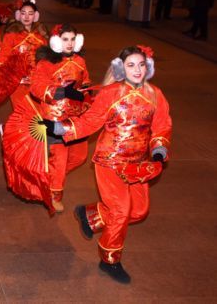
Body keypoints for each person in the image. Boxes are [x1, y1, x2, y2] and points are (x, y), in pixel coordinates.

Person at [42, 45, 172, 283]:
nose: (137, 70)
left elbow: (162, 126)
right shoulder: (111, 93)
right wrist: (59, 128)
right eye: (131, 65)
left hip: (138, 165)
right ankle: (110, 260)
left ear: (148, 67)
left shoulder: (156, 95)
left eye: (141, 65)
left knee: (138, 211)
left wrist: (158, 151)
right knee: (121, 211)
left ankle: (91, 215)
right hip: (109, 161)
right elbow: (89, 122)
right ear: (121, 68)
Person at [29, 24, 90, 212]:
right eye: (65, 39)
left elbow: (86, 81)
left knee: (80, 156)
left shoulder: (80, 61)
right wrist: (63, 91)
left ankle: (48, 178)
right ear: (56, 41)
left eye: (72, 39)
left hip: (76, 118)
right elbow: (36, 88)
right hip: (54, 117)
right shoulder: (46, 63)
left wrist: (86, 93)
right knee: (59, 160)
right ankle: (54, 195)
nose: (69, 43)